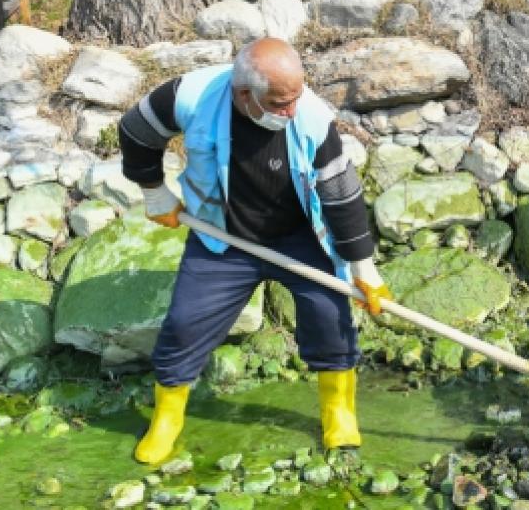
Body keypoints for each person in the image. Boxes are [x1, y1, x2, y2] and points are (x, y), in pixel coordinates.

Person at [118, 37, 390, 464]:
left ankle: (338, 411)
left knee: (329, 317)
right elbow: (135, 132)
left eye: (296, 97)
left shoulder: (313, 120)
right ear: (245, 94)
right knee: (185, 324)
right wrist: (153, 190)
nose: (292, 110)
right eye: (280, 103)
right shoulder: (190, 96)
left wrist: (363, 266)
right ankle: (166, 419)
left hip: (300, 238)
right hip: (222, 237)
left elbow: (341, 195)